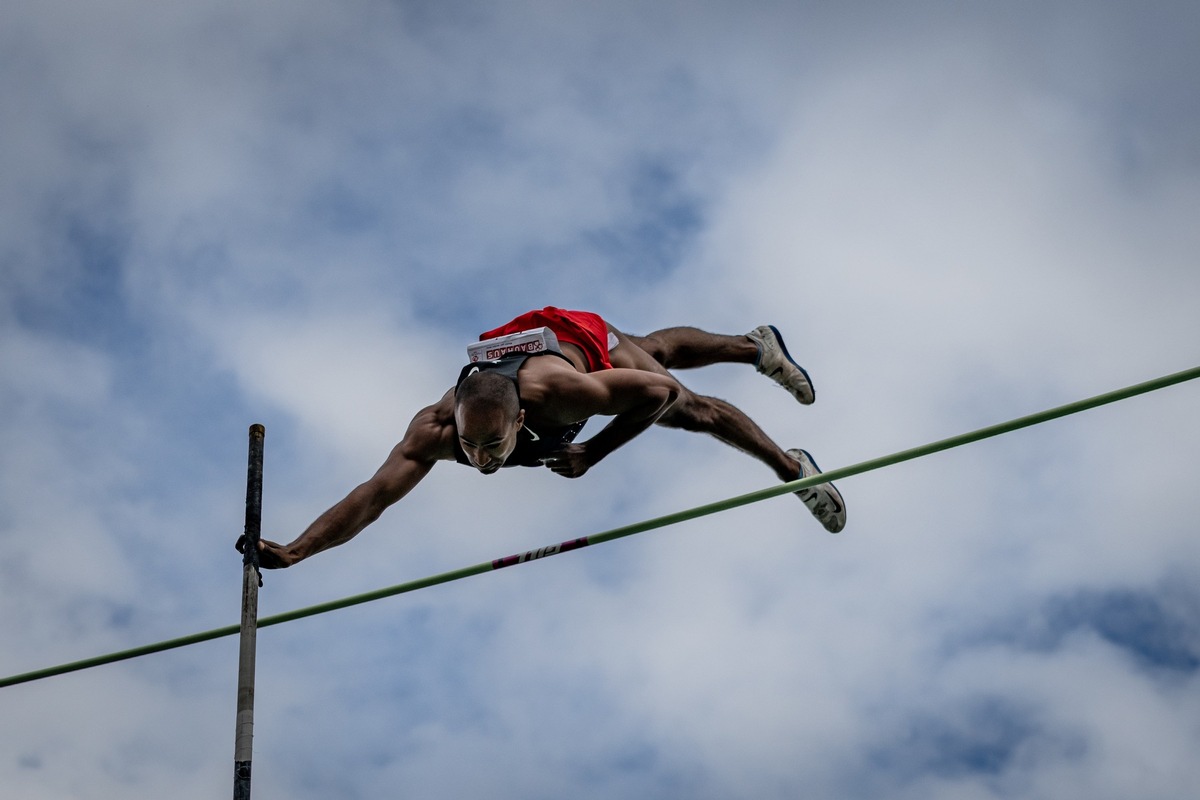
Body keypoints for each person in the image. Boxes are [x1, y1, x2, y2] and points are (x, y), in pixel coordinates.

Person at [240, 307, 846, 569]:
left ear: (519, 419)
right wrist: (296, 550)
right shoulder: (432, 431)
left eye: (494, 449)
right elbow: (371, 496)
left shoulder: (560, 394)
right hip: (506, 343)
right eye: (473, 451)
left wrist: (593, 452)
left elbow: (655, 396)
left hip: (571, 343)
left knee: (685, 404)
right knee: (653, 352)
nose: (482, 463)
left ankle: (793, 468)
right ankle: (753, 341)